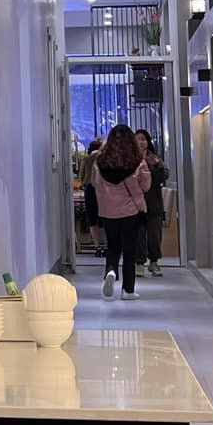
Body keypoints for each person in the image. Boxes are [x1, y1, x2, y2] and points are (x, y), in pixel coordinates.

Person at [90, 124, 151, 299]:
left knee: (113, 247)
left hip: (108, 212)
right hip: (130, 211)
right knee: (129, 250)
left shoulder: (100, 162)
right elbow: (145, 186)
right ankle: (128, 290)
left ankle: (110, 271)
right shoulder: (137, 162)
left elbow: (95, 184)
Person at [137, 133, 170, 277]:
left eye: (143, 139)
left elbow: (164, 176)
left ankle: (154, 262)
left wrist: (156, 165)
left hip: (154, 203)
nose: (141, 142)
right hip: (136, 204)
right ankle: (139, 263)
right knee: (138, 236)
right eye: (138, 139)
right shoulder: (130, 158)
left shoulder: (155, 158)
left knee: (154, 236)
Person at [76, 138, 102, 251]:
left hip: (90, 188)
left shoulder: (86, 159)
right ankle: (109, 244)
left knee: (92, 218)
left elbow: (81, 176)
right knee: (106, 216)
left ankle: (97, 246)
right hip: (103, 188)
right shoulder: (104, 157)